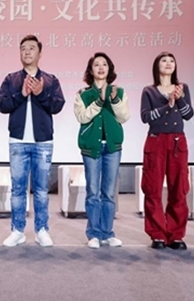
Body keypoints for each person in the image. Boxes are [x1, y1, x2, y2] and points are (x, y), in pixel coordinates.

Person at [0, 34, 65, 247]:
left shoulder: (50, 80)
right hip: (17, 141)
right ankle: (17, 230)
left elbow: (57, 105)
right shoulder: (11, 79)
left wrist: (41, 93)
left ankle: (41, 230)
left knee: (42, 190)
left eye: (31, 48)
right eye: (23, 48)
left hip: (43, 142)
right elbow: (2, 105)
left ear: (40, 53)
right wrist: (21, 93)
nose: (27, 51)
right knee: (18, 189)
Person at [74, 52, 130, 249]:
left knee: (109, 193)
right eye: (96, 64)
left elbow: (124, 117)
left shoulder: (119, 92)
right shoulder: (83, 94)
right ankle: (93, 233)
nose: (100, 67)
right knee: (93, 192)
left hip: (112, 147)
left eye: (104, 64)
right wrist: (99, 101)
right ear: (91, 70)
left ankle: (108, 232)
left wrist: (113, 100)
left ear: (109, 69)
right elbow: (82, 117)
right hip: (91, 147)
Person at [140, 52, 193, 250]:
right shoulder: (149, 91)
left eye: (172, 61)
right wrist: (167, 105)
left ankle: (176, 234)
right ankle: (157, 234)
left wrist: (179, 100)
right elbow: (145, 117)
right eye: (164, 61)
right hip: (156, 141)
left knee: (179, 188)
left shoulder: (182, 88)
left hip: (177, 141)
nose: (168, 63)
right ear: (157, 66)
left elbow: (188, 115)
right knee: (152, 188)